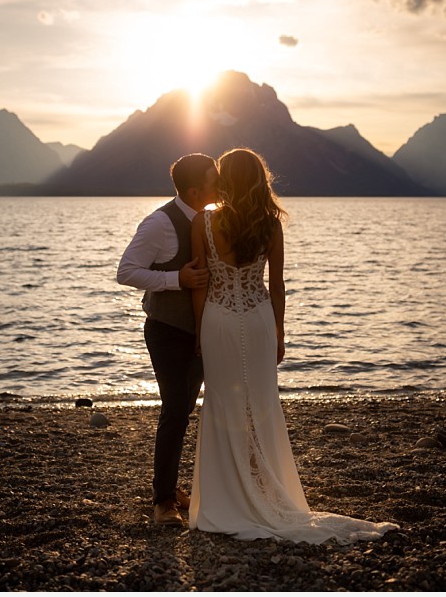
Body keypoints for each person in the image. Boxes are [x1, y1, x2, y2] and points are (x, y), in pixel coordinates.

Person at [187, 148, 399, 543]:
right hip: (257, 317)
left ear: (226, 180)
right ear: (258, 180)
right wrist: (280, 332)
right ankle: (265, 490)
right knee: (262, 404)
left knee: (222, 404)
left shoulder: (204, 221)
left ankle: (227, 497)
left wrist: (200, 332)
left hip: (217, 320)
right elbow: (277, 286)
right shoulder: (271, 225)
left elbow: (201, 283)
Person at [117, 153, 219, 526]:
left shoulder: (211, 220)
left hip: (205, 331)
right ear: (195, 190)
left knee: (192, 409)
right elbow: (126, 271)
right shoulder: (159, 223)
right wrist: (178, 279)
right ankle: (163, 501)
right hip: (168, 331)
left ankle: (175, 486)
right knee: (176, 410)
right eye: (214, 178)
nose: (220, 183)